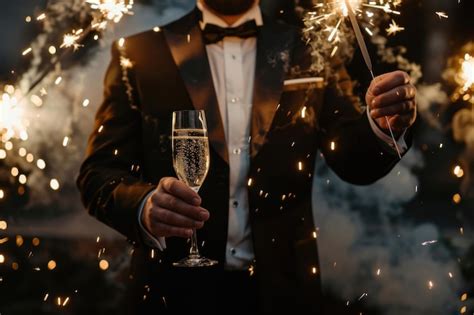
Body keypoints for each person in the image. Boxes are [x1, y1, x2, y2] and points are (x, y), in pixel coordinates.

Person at [77, 0, 417, 314]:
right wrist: (144, 205)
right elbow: (99, 173)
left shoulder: (311, 47)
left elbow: (353, 160)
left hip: (284, 293)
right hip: (171, 292)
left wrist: (382, 126)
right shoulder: (138, 53)